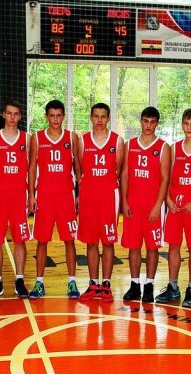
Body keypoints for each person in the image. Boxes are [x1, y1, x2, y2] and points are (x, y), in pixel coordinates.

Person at [27, 99, 81, 299]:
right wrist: (31, 194)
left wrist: (80, 193)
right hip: (45, 196)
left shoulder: (72, 137)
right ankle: (39, 283)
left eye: (59, 115)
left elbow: (78, 167)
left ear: (63, 116)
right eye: (52, 115)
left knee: (69, 240)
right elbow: (32, 167)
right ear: (46, 117)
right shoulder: (37, 137)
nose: (55, 119)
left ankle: (72, 282)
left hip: (66, 196)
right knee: (42, 241)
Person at [156, 108, 191, 307]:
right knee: (173, 246)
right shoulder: (174, 148)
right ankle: (173, 287)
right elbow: (166, 177)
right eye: (186, 123)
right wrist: (168, 199)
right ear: (182, 124)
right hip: (175, 207)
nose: (189, 127)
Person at [120, 106, 170, 303]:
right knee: (133, 246)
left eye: (152, 122)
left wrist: (158, 205)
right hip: (133, 203)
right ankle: (135, 285)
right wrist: (124, 201)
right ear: (140, 121)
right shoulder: (130, 144)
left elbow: (165, 178)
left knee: (152, 247)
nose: (148, 125)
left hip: (152, 205)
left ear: (157, 124)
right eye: (145, 121)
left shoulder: (163, 147)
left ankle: (149, 285)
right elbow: (124, 175)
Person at [76, 103, 125, 303]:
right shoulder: (83, 140)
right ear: (91, 117)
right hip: (88, 195)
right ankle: (93, 284)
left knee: (108, 241)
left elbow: (118, 170)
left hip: (108, 196)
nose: (99, 120)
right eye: (96, 116)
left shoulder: (117, 141)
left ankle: (106, 284)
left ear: (108, 119)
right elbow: (79, 167)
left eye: (103, 117)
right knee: (91, 241)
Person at [0, 100, 31, 299]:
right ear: (4, 114)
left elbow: (31, 167)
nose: (12, 117)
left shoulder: (27, 139)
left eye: (16, 114)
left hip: (19, 194)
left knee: (20, 239)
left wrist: (31, 194)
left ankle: (20, 280)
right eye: (9, 113)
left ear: (20, 116)